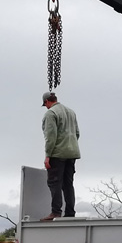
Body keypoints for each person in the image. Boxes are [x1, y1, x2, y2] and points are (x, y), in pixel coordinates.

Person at [40, 91, 80, 221]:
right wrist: (70, 146)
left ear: (47, 101)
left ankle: (56, 212)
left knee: (54, 183)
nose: (45, 107)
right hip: (72, 153)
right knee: (68, 184)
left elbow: (50, 137)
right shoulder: (71, 112)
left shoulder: (51, 113)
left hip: (57, 154)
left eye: (45, 104)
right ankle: (70, 213)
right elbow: (77, 133)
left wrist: (48, 156)